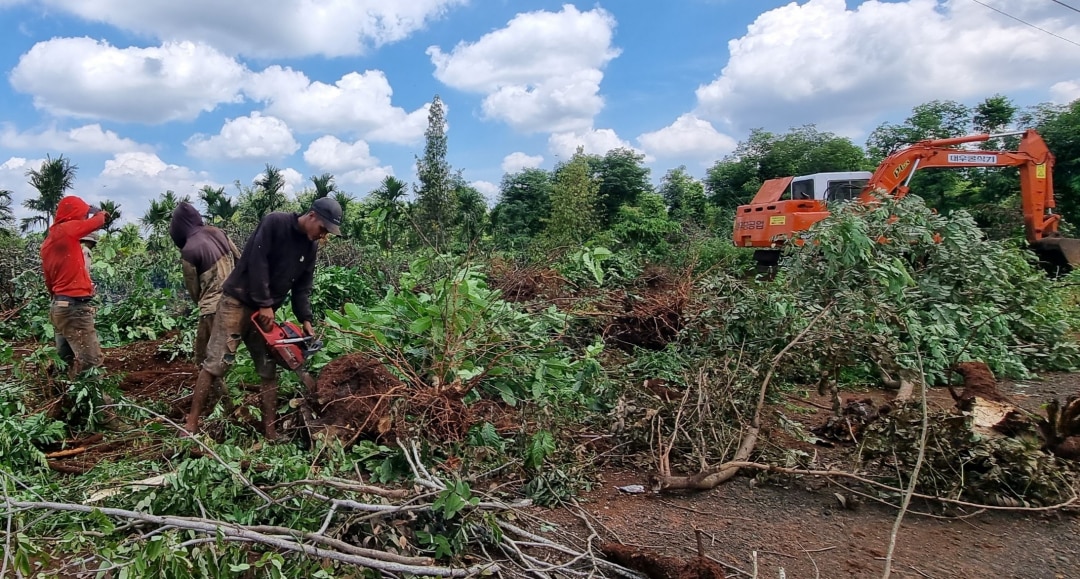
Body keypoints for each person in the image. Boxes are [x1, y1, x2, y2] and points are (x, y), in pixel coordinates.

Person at [185, 197, 342, 439]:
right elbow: (256, 262)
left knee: (269, 369)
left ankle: (270, 432)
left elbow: (302, 287)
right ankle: (191, 426)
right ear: (312, 216)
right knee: (215, 362)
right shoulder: (275, 223)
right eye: (322, 228)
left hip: (264, 315)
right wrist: (265, 303)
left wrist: (306, 320)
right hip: (237, 302)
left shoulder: (310, 247)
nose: (322, 235)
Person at [41, 196, 109, 378]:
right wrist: (101, 213)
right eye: (82, 214)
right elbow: (98, 221)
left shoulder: (49, 242)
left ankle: (58, 396)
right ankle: (100, 405)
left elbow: (49, 281)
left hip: (60, 306)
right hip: (73, 308)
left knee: (64, 359)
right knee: (91, 363)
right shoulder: (65, 230)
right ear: (74, 214)